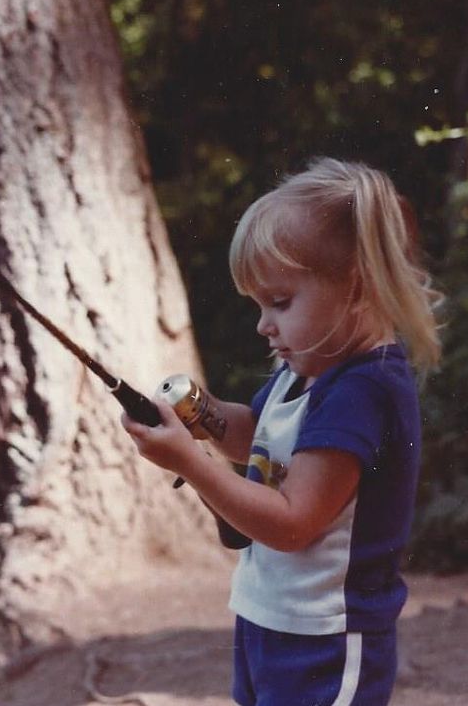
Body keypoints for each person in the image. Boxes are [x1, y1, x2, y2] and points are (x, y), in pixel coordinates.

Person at [121, 157, 443, 706]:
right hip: (269, 616)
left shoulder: (363, 389)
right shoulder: (305, 370)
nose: (263, 325)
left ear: (358, 288)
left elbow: (295, 523)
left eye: (281, 302)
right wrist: (200, 417)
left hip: (328, 635)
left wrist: (190, 464)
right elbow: (262, 438)